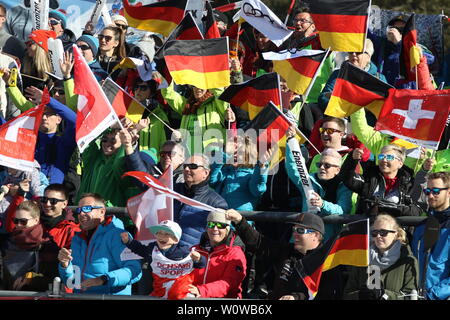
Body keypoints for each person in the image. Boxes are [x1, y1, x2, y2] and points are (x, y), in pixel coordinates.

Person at [226, 210, 346, 300]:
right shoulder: (287, 251)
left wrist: (296, 297)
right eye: (294, 230)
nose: (295, 234)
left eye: (300, 231)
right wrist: (239, 221)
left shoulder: (327, 262)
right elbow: (259, 242)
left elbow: (328, 295)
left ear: (315, 235)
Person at [57, 193, 142, 295]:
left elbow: (135, 270)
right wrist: (65, 265)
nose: (81, 213)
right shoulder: (77, 239)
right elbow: (71, 283)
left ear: (102, 212)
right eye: (79, 210)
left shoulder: (118, 235)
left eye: (87, 208)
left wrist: (104, 279)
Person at [285, 127, 352, 240]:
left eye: (327, 165)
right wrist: (291, 142)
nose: (321, 168)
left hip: (329, 240)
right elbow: (294, 168)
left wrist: (323, 204)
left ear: (338, 169)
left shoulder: (344, 185)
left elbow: (343, 210)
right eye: (319, 164)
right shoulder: (308, 180)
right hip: (304, 239)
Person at [120, 220, 205, 299]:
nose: (161, 236)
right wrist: (129, 242)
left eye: (167, 234)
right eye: (159, 233)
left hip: (182, 294)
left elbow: (201, 265)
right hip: (159, 293)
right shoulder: (152, 249)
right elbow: (140, 249)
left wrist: (199, 259)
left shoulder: (184, 252)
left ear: (175, 240)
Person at [344, 214, 419, 300]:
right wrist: (360, 295)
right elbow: (347, 294)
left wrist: (384, 295)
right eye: (375, 233)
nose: (378, 236)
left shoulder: (408, 261)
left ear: (396, 234)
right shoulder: (362, 258)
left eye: (383, 232)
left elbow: (410, 297)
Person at [341, 144, 423, 218]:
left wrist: (382, 207)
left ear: (400, 163)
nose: (384, 160)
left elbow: (417, 210)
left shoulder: (410, 183)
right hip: (368, 230)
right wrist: (352, 159)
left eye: (389, 157)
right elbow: (347, 179)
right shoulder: (370, 177)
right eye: (381, 157)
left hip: (397, 231)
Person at [174, 154, 228, 248]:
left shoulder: (216, 203)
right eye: (185, 166)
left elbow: (217, 238)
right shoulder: (172, 191)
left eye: (192, 166)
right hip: (165, 255)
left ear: (206, 173)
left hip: (194, 257)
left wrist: (202, 256)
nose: (186, 169)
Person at [188, 211, 247, 298]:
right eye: (211, 224)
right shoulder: (195, 250)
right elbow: (183, 274)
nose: (215, 228)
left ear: (227, 229)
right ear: (207, 228)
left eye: (220, 225)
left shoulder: (235, 253)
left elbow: (229, 283)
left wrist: (201, 290)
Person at [161, 82, 229, 154]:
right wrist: (167, 74)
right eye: (194, 85)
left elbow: (219, 93)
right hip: (189, 157)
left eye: (201, 85)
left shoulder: (216, 104)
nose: (198, 88)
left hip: (212, 157)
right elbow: (168, 94)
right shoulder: (187, 105)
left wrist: (208, 77)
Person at [412, 172, 450, 300]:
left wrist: (431, 295)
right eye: (428, 191)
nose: (431, 195)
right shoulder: (421, 226)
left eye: (436, 191)